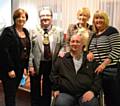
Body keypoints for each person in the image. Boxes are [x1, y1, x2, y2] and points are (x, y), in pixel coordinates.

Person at [50, 32, 102, 106]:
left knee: (92, 104)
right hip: (66, 93)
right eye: (73, 41)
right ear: (69, 43)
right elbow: (53, 74)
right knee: (61, 103)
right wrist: (55, 88)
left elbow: (98, 76)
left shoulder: (89, 59)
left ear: (82, 44)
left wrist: (93, 91)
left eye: (78, 42)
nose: (75, 44)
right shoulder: (62, 58)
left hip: (85, 93)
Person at [28, 6, 64, 106]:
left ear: (52, 17)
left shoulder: (59, 31)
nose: (45, 17)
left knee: (47, 87)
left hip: (51, 64)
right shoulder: (33, 30)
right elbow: (29, 49)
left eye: (47, 15)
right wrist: (30, 65)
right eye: (42, 15)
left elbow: (64, 45)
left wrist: (62, 51)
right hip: (36, 63)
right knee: (35, 87)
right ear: (39, 17)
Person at [88, 10, 120, 106]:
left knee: (112, 98)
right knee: (98, 98)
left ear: (105, 19)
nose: (98, 20)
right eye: (96, 18)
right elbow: (91, 49)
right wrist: (90, 53)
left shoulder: (111, 31)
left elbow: (117, 50)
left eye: (101, 18)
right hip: (97, 71)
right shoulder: (93, 34)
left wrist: (103, 64)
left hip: (110, 70)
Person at [0, 8, 31, 106]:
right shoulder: (8, 31)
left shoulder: (25, 31)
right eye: (18, 17)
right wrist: (10, 69)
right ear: (15, 18)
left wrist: (25, 68)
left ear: (26, 19)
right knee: (10, 94)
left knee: (14, 92)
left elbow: (26, 50)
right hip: (9, 69)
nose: (21, 19)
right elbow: (4, 51)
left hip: (20, 68)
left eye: (23, 17)